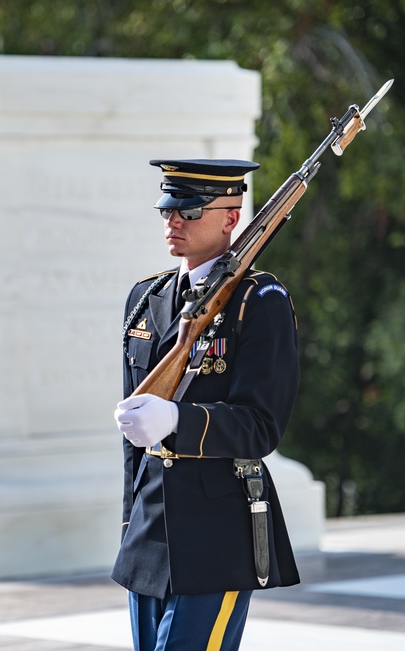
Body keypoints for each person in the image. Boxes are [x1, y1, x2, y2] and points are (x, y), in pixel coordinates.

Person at [112, 159, 301, 651]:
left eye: (190, 213)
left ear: (230, 218)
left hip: (217, 532)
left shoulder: (259, 301)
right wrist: (130, 522)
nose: (173, 222)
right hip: (149, 533)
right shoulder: (146, 297)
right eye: (169, 210)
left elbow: (261, 426)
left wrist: (176, 419)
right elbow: (133, 442)